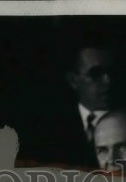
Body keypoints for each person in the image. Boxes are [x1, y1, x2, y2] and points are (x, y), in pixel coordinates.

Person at [19, 40, 118, 168]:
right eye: (96, 73)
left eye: (109, 72)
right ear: (73, 81)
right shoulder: (50, 128)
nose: (107, 81)